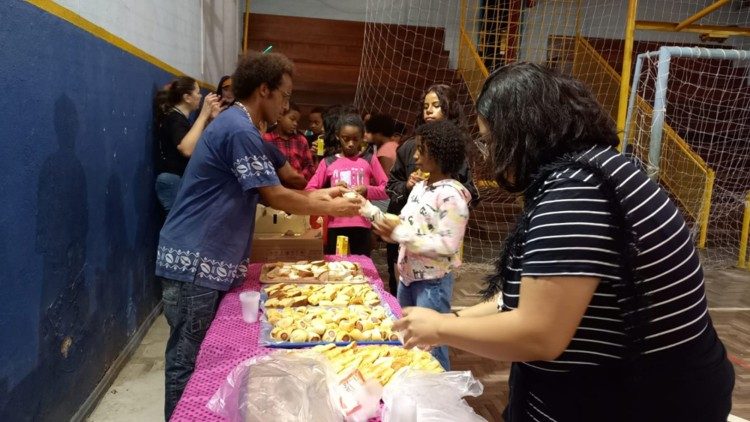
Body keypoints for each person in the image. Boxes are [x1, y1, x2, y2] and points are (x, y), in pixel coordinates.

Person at [393, 63, 735, 421]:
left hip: (640, 400)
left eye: (489, 140)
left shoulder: (577, 192)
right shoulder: (598, 169)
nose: (489, 154)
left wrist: (440, 327)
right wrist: (452, 318)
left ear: (519, 135)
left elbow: (539, 333)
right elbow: (531, 294)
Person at [155, 51, 361, 420]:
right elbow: (275, 195)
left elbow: (276, 189)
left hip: (206, 259)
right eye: (284, 94)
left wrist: (320, 196)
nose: (286, 104)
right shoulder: (239, 129)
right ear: (264, 90)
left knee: (196, 356)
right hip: (196, 261)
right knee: (187, 361)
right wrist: (331, 208)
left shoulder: (242, 126)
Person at [373, 120, 471, 371]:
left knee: (432, 346)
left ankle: (441, 399)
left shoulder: (451, 196)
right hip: (408, 279)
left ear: (439, 154)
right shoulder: (419, 187)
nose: (415, 156)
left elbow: (448, 245)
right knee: (409, 338)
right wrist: (378, 219)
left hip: (432, 283)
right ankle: (415, 389)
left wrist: (401, 234)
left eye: (421, 149)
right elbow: (405, 224)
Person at [385, 84, 478, 295]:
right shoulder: (409, 147)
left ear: (450, 110)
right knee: (399, 286)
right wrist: (407, 186)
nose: (429, 110)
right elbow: (391, 185)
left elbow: (469, 191)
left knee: (430, 293)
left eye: (436, 105)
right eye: (426, 106)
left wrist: (443, 187)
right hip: (405, 233)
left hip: (434, 240)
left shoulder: (458, 150)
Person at [305, 113, 389, 256]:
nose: (351, 144)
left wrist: (367, 190)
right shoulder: (328, 162)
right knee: (337, 269)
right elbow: (310, 190)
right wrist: (333, 191)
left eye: (355, 139)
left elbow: (387, 188)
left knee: (360, 269)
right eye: (346, 139)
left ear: (362, 137)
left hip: (362, 225)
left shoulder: (369, 160)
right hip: (335, 225)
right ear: (338, 136)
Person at [153, 77, 220, 213]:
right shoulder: (174, 118)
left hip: (178, 179)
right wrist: (203, 114)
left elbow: (196, 142)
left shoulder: (181, 119)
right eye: (197, 92)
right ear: (187, 97)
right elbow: (187, 149)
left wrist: (209, 119)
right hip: (173, 180)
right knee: (178, 228)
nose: (200, 96)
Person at [263, 101, 315, 180]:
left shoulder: (301, 140)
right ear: (280, 117)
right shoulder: (266, 139)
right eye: (292, 119)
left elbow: (309, 166)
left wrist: (298, 177)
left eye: (297, 121)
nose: (295, 124)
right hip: (275, 186)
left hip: (298, 187)